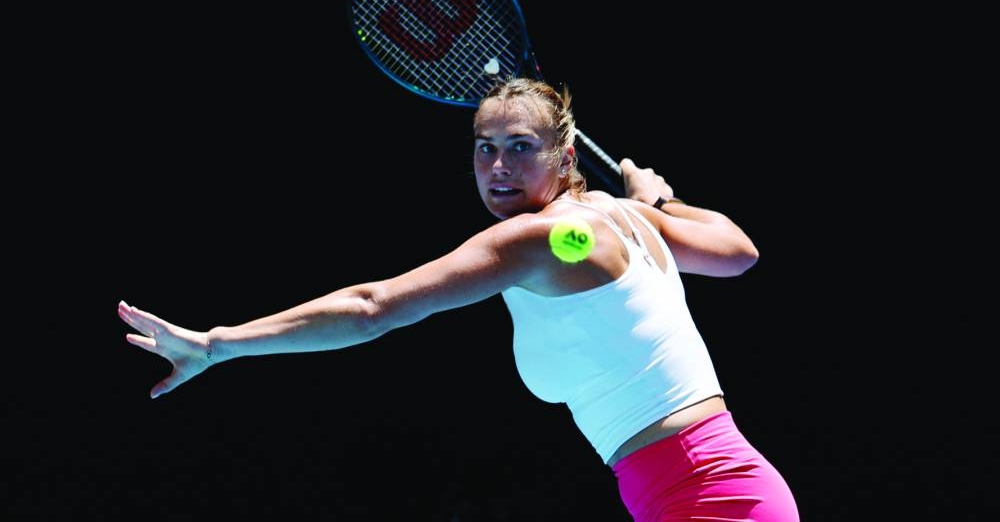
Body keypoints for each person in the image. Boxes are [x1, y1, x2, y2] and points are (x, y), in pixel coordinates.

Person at [118, 76, 799, 521]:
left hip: (711, 498)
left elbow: (373, 306)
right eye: (484, 149)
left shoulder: (542, 239)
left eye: (520, 148)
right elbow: (736, 251)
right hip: (710, 490)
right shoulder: (619, 218)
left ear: (565, 159)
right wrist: (658, 199)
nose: (498, 168)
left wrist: (219, 343)